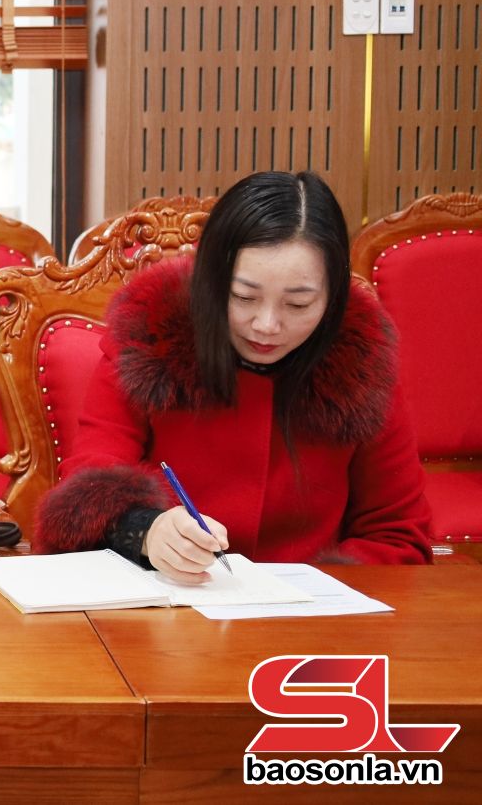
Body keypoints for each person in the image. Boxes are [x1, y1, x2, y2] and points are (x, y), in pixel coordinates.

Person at [35, 170, 432, 580]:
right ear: (210, 281)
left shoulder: (361, 366)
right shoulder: (149, 337)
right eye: (243, 297)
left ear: (333, 298)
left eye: (298, 305)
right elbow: (88, 488)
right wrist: (147, 531)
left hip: (311, 608)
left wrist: (312, 590)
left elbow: (397, 535)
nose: (266, 325)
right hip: (169, 599)